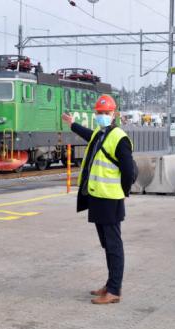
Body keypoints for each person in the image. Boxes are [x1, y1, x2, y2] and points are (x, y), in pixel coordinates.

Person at [61, 94, 135, 304]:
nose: (102, 116)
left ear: (114, 114)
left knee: (113, 245)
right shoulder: (101, 134)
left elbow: (128, 170)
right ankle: (110, 284)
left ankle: (114, 291)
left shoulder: (118, 137)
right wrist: (72, 124)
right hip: (98, 198)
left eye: (106, 113)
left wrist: (124, 192)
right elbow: (88, 134)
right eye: (99, 113)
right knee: (107, 244)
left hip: (110, 199)